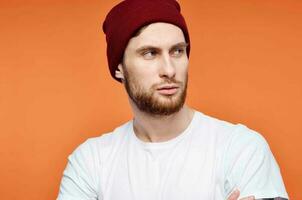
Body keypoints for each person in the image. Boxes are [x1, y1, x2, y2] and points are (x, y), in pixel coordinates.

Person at [57, 0, 289, 199]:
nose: (169, 69)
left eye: (177, 51)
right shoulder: (90, 162)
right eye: (150, 53)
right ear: (119, 67)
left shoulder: (242, 149)